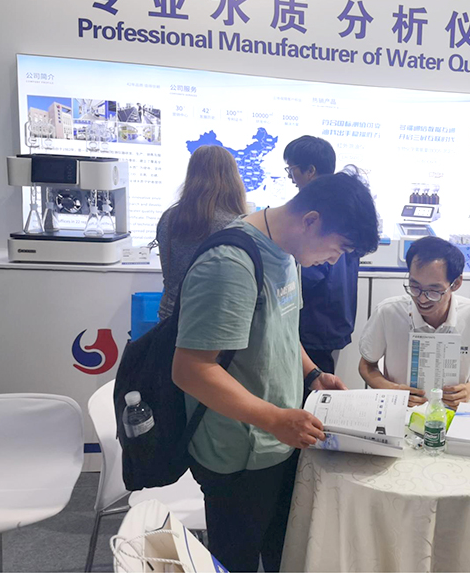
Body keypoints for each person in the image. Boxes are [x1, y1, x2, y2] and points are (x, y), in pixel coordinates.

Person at [171, 173, 380, 571]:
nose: (334, 260)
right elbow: (191, 370)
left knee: (285, 554)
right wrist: (274, 419)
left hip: (278, 440)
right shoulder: (230, 264)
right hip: (238, 451)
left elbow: (283, 329)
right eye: (338, 248)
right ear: (311, 221)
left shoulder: (287, 252)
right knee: (239, 561)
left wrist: (312, 374)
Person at [359, 236, 470, 409]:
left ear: (456, 283)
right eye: (414, 286)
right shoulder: (388, 311)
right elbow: (367, 365)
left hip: (452, 411)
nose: (422, 298)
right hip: (400, 410)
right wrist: (393, 390)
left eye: (434, 290)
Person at [283, 136, 362, 375]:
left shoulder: (316, 211)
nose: (290, 177)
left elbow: (310, 274)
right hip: (334, 315)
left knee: (312, 385)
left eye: (292, 169)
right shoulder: (348, 204)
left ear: (310, 170)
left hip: (316, 319)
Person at [156, 145, 247, 319]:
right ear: (233, 178)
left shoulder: (168, 217)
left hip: (170, 315)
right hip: (215, 319)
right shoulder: (235, 224)